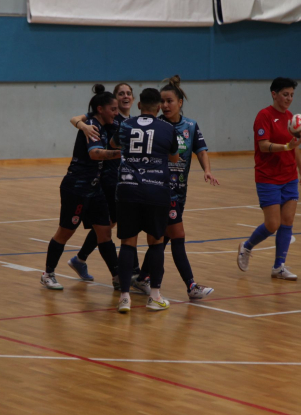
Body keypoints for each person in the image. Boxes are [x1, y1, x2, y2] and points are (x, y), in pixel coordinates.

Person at [132, 75, 219, 300]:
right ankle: (191, 286)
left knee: (164, 237)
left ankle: (142, 277)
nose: (165, 105)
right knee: (177, 234)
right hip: (161, 190)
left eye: (169, 101)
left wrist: (207, 170)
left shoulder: (190, 126)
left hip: (180, 191)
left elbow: (201, 150)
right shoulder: (157, 125)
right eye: (162, 101)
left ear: (180, 102)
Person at [40, 84, 122, 291]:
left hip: (95, 189)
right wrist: (122, 154)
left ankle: (117, 277)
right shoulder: (92, 126)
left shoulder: (103, 123)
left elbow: (78, 119)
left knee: (104, 232)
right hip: (76, 188)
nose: (116, 112)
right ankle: (48, 274)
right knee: (65, 232)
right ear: (101, 109)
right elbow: (95, 154)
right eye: (113, 109)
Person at [111, 88, 179, 312]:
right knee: (156, 242)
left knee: (127, 243)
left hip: (128, 189)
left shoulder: (125, 125)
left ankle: (124, 298)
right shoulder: (168, 128)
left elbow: (113, 144)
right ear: (159, 107)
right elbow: (174, 157)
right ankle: (155, 296)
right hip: (156, 190)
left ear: (139, 105)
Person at [66, 83, 141, 284]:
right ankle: (132, 272)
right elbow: (75, 118)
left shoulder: (133, 122)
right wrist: (82, 126)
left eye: (128, 93)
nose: (125, 96)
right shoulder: (108, 117)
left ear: (133, 98)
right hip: (108, 179)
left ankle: (80, 259)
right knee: (121, 223)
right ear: (114, 99)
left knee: (107, 225)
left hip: (124, 178)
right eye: (121, 93)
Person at [237, 77, 301, 280]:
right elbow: (263, 145)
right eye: (285, 94)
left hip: (289, 176)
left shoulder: (291, 118)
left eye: (292, 95)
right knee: (272, 224)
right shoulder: (264, 116)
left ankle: (279, 266)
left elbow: (294, 147)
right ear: (274, 94)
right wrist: (286, 147)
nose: (289, 99)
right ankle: (247, 246)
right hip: (268, 177)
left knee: (288, 220)